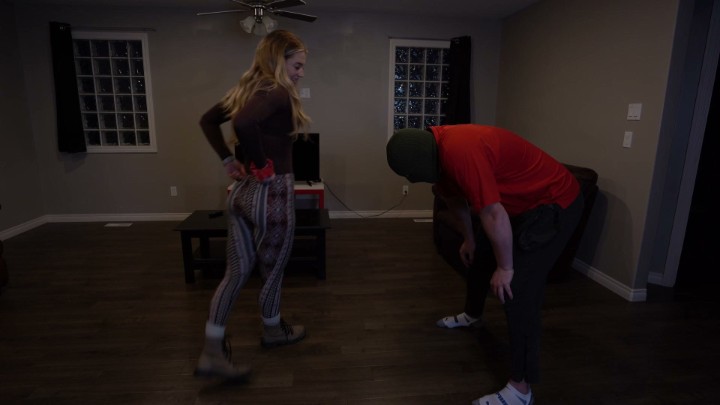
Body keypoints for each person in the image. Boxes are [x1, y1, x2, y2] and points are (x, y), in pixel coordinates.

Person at [386, 124, 584, 405]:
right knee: (478, 257)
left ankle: (521, 390)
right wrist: (469, 239)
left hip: (554, 202)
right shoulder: (439, 155)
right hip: (517, 205)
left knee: (518, 289)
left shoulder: (461, 151)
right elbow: (454, 199)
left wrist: (505, 268)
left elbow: (492, 213)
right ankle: (473, 315)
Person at [194, 29, 312, 380]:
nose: (300, 73)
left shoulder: (245, 90)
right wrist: (263, 165)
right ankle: (273, 331)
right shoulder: (277, 92)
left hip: (241, 194)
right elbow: (244, 123)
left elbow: (208, 120)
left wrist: (227, 160)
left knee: (235, 273)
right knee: (273, 271)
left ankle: (212, 351)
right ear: (278, 60)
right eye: (297, 65)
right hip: (271, 194)